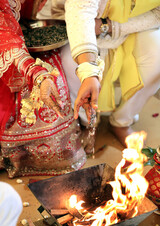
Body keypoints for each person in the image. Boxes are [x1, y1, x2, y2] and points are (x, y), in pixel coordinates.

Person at [47, 0, 160, 147]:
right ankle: (86, 122)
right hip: (77, 25)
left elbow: (157, 13)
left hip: (132, 27)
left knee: (157, 54)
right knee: (70, 62)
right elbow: (80, 13)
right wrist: (88, 71)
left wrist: (108, 26)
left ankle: (122, 122)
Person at [0, 0, 86, 178]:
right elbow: (7, 43)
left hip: (18, 34)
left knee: (57, 73)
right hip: (7, 51)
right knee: (28, 93)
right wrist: (38, 75)